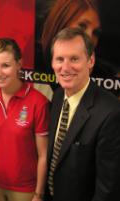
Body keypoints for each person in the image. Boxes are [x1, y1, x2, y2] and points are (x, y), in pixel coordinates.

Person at [46, 27, 120, 201]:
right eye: (59, 59)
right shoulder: (57, 96)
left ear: (91, 60)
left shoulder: (111, 113)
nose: (65, 67)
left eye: (74, 59)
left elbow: (107, 189)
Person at [0, 38, 49, 201]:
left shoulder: (38, 102)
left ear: (19, 64)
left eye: (5, 65)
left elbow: (43, 155)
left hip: (25, 190)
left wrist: (38, 194)